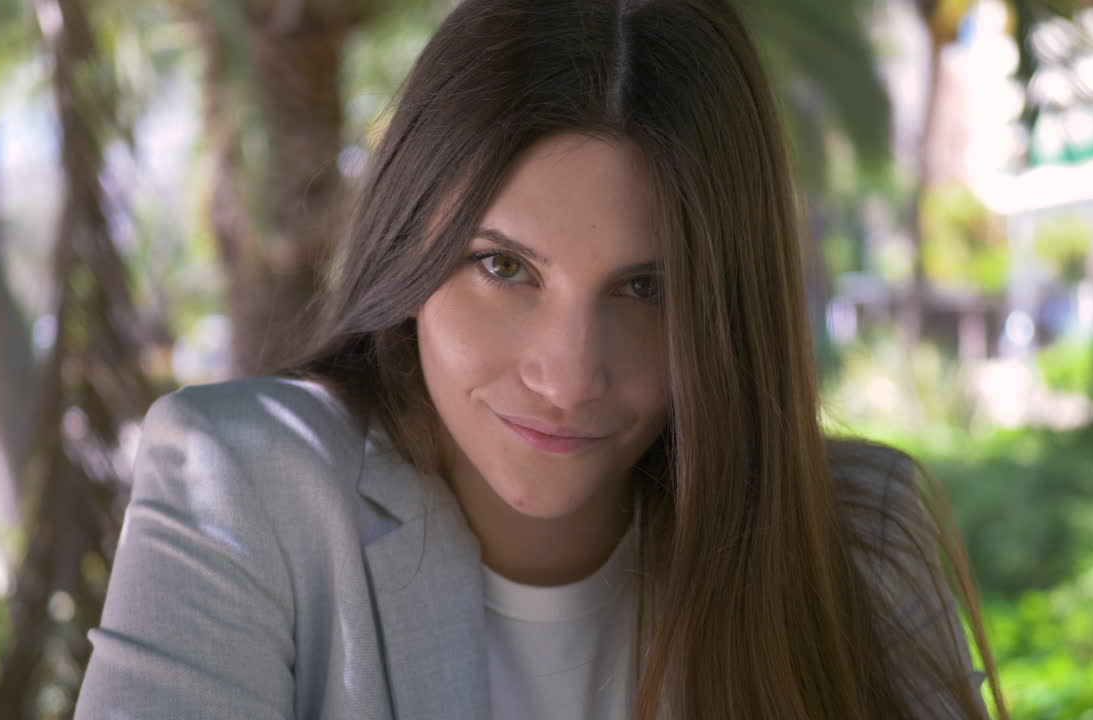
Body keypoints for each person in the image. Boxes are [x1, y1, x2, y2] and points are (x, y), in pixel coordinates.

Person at [76, 0, 1006, 718]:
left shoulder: (855, 537)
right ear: (410, 242)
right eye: (504, 267)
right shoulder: (245, 482)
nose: (567, 378)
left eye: (648, 289)